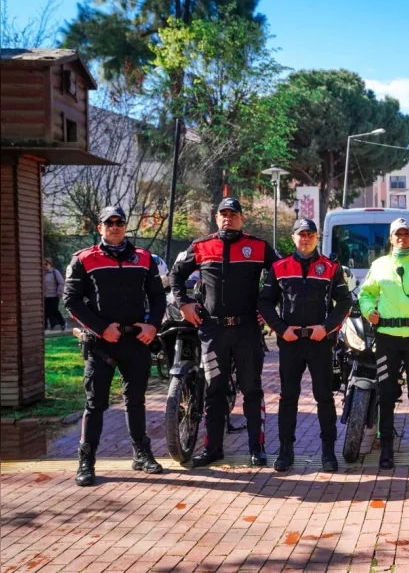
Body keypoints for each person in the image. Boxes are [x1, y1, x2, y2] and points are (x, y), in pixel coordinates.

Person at [170, 197, 278, 468]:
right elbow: (176, 275)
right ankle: (213, 449)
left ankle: (257, 448)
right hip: (213, 330)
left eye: (233, 214)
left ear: (242, 218)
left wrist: (266, 304)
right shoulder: (201, 246)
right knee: (215, 390)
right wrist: (184, 303)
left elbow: (281, 274)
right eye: (223, 214)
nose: (228, 218)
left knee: (251, 390)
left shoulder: (259, 246)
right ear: (216, 218)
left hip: (247, 330)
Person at [63, 206, 166, 486]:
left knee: (136, 401)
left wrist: (152, 325)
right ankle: (86, 460)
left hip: (136, 341)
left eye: (119, 222)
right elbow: (71, 300)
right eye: (109, 223)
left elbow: (158, 297)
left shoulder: (144, 258)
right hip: (101, 344)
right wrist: (100, 328)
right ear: (100, 228)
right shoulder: (84, 259)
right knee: (95, 404)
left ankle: (141, 453)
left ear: (125, 226)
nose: (115, 226)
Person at [258, 218, 351, 472]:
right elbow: (264, 302)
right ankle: (285, 451)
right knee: (288, 398)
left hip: (320, 342)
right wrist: (280, 328)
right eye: (301, 234)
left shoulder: (331, 267)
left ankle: (328, 453)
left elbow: (345, 302)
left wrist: (327, 327)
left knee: (324, 397)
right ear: (293, 237)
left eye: (310, 234)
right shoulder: (279, 267)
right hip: (290, 342)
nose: (306, 238)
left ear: (317, 237)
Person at [358, 218, 409, 469]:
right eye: (398, 234)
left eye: (406, 234)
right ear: (391, 238)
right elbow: (366, 294)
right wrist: (368, 311)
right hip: (386, 339)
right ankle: (386, 451)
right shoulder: (380, 265)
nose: (402, 238)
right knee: (386, 394)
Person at [44, 258, 66, 331]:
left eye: (46, 264)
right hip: (45, 296)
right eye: (43, 264)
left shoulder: (54, 272)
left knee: (54, 310)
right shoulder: (42, 273)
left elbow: (61, 282)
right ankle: (45, 327)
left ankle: (63, 323)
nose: (44, 266)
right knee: (45, 311)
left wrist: (59, 292)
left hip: (54, 295)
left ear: (50, 264)